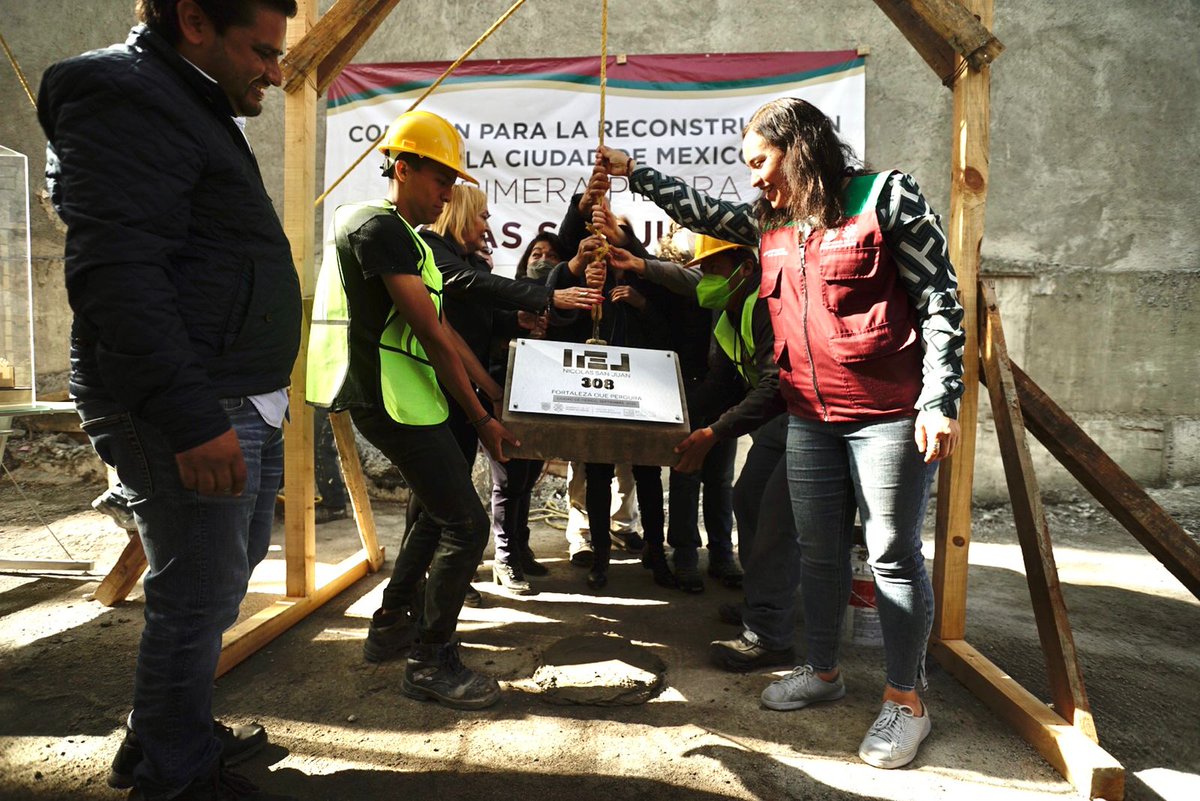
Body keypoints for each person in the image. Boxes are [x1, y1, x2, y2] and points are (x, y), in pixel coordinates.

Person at [600, 96, 965, 770]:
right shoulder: (771, 223)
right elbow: (701, 212)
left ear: (799, 146)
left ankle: (907, 699)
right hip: (807, 415)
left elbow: (940, 297)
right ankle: (823, 670)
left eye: (761, 162)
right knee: (818, 552)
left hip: (886, 414)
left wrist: (939, 398)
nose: (756, 179)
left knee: (891, 553)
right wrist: (630, 171)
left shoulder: (886, 197)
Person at [38, 1, 301, 799]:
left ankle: (161, 732)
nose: (276, 71)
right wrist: (189, 417)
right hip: (191, 403)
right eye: (261, 50)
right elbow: (117, 274)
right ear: (193, 19)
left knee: (228, 571)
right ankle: (175, 774)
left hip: (230, 395)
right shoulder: (128, 94)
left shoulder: (184, 100)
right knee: (197, 594)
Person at [307, 109, 519, 709]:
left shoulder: (409, 239)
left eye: (453, 183)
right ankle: (428, 661)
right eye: (439, 180)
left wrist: (491, 392)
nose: (448, 193)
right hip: (386, 399)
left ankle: (391, 626)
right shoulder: (376, 229)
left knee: (433, 514)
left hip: (410, 398)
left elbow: (444, 329)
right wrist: (483, 420)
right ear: (402, 169)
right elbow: (429, 334)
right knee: (467, 524)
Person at [420, 188, 599, 595]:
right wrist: (547, 296)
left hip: (467, 391)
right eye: (481, 216)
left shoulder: (468, 260)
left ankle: (455, 574)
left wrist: (513, 320)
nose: (486, 225)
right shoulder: (432, 250)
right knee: (446, 498)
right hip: (443, 391)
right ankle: (446, 578)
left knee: (474, 488)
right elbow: (472, 291)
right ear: (461, 215)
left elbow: (478, 318)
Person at [664, 235, 798, 672]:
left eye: (713, 269)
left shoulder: (766, 303)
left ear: (743, 264)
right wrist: (676, 423)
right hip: (777, 420)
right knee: (749, 499)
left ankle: (770, 630)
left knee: (773, 516)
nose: (705, 280)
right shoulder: (729, 313)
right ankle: (761, 607)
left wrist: (714, 433)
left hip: (803, 418)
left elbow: (774, 384)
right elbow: (721, 384)